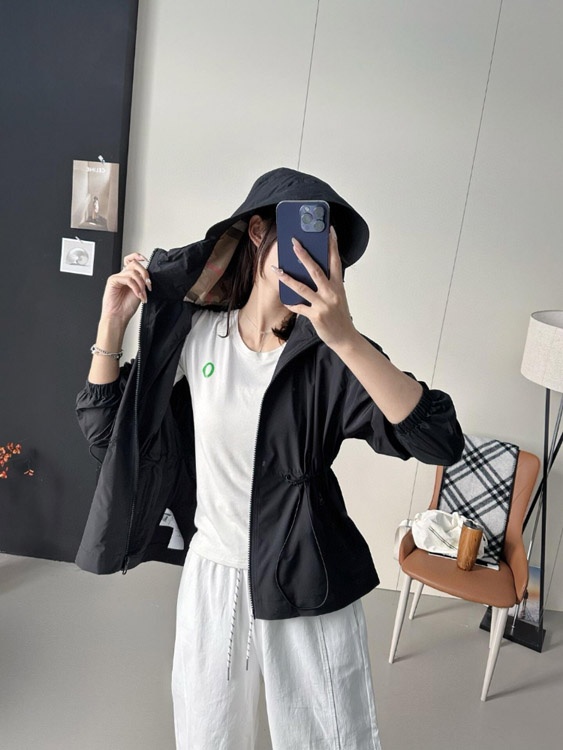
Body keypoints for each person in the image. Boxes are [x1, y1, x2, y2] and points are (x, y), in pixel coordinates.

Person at [76, 167, 464, 749]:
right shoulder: (198, 337)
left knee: (328, 739)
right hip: (213, 578)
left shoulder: (331, 355)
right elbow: (112, 435)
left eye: (324, 247)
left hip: (308, 579)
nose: (311, 259)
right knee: (207, 737)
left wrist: (346, 338)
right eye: (300, 236)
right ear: (258, 231)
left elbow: (438, 441)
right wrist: (112, 323)